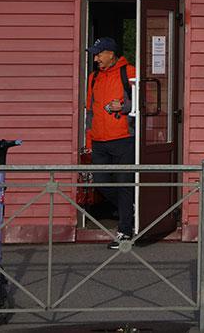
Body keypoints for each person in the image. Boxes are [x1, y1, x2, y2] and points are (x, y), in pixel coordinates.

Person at [85, 36, 136, 249]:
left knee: (124, 185)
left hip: (123, 138)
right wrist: (89, 140)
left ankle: (125, 232)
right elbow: (90, 111)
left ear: (111, 54)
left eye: (99, 54)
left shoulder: (129, 72)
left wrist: (124, 107)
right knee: (101, 182)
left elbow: (144, 103)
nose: (95, 59)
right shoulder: (93, 77)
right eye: (95, 55)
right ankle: (131, 209)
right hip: (99, 141)